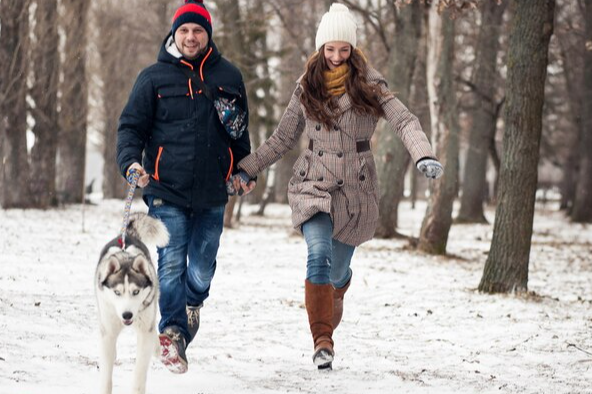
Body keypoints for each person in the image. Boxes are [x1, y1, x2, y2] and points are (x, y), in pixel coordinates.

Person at [233, 3, 443, 370]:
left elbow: (405, 120)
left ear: (353, 49)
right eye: (330, 49)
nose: (336, 56)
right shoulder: (306, 87)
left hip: (355, 191)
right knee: (317, 254)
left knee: (334, 274)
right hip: (313, 183)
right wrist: (246, 170)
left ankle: (339, 287)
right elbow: (282, 139)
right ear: (320, 49)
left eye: (344, 49)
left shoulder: (370, 85)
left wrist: (422, 154)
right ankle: (322, 343)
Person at [116, 0, 253, 374]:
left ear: (208, 34)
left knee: (203, 267)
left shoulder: (229, 76)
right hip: (166, 189)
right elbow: (131, 127)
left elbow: (239, 132)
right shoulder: (153, 78)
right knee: (171, 261)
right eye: (184, 31)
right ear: (174, 34)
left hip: (212, 189)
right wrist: (130, 162)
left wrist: (245, 170)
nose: (191, 37)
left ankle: (194, 302)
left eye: (198, 30)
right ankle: (173, 333)